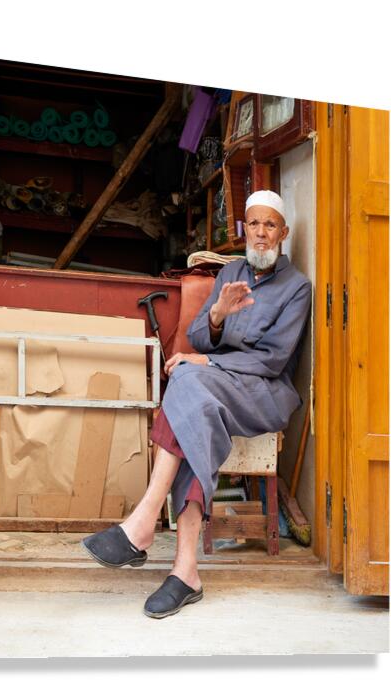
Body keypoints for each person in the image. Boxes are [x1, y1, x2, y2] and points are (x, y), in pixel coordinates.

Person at [82, 190, 311, 618]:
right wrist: (217, 315)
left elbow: (273, 360)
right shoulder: (232, 273)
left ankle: (143, 522)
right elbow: (200, 338)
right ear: (245, 230)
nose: (261, 233)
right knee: (194, 404)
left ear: (283, 233)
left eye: (270, 225)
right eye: (254, 224)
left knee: (186, 377)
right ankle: (185, 570)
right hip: (215, 386)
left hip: (263, 392)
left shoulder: (297, 287)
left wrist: (207, 361)